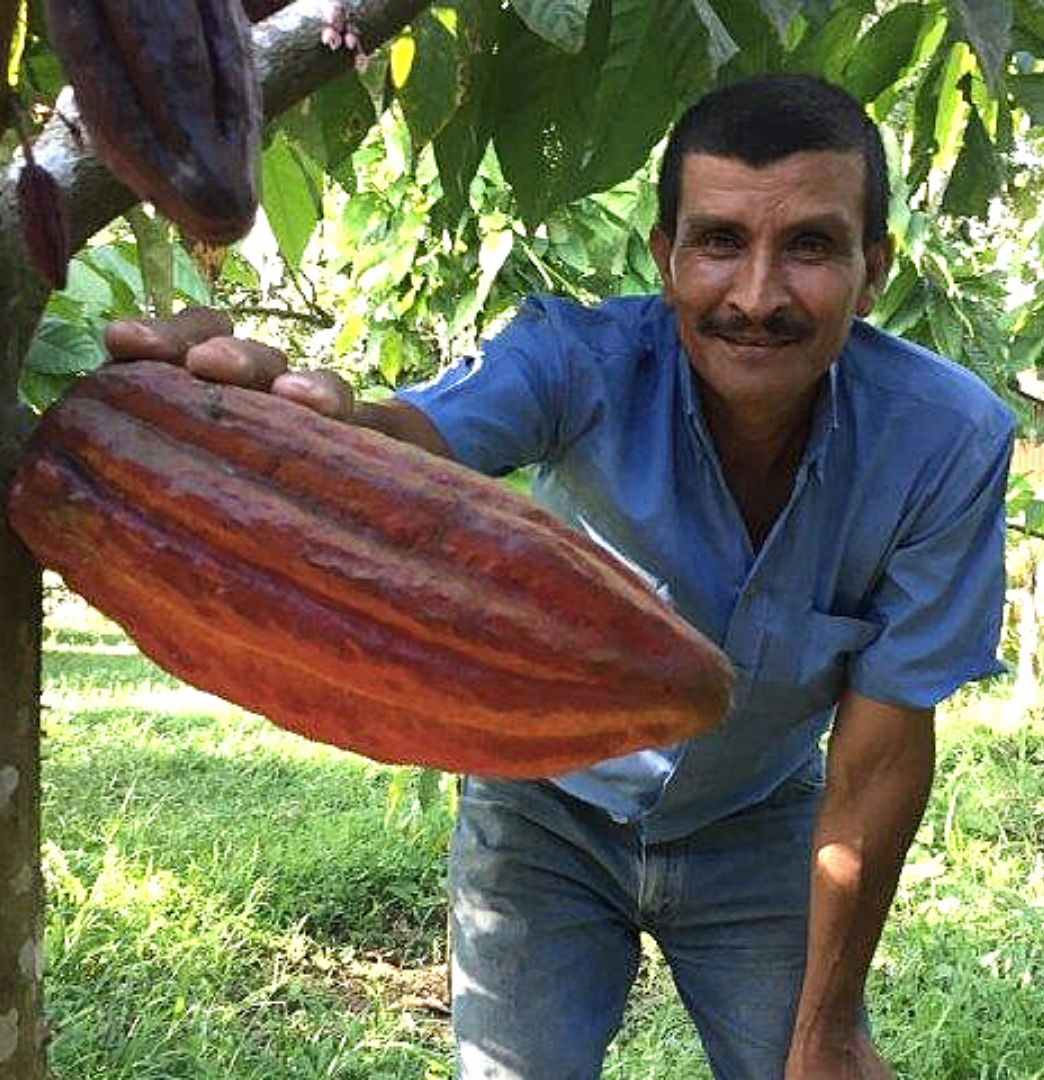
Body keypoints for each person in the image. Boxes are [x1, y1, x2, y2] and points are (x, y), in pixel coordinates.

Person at [107, 74, 1015, 1079]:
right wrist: (299, 433)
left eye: (809, 246)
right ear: (665, 259)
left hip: (755, 816)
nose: (757, 296)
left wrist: (829, 1027)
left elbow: (881, 754)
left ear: (873, 267)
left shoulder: (946, 439)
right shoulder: (573, 360)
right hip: (541, 814)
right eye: (718, 242)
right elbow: (408, 444)